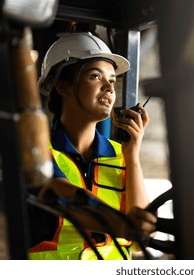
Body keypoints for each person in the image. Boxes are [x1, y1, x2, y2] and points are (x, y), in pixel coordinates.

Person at [28, 32, 156, 260]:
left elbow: (138, 242)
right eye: (95, 76)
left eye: (112, 80)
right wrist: (124, 225)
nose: (109, 87)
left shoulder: (121, 155)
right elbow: (60, 193)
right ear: (63, 86)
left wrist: (132, 157)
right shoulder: (36, 151)